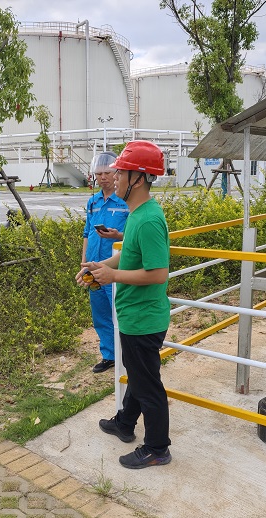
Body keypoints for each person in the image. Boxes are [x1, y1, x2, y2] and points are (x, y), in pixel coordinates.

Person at [77, 141, 172, 469]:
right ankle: (124, 422)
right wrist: (99, 267)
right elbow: (128, 255)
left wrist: (113, 275)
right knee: (139, 374)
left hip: (144, 319)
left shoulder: (147, 220)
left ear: (139, 178)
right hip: (134, 316)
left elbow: (158, 273)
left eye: (121, 172)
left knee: (148, 386)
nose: (114, 177)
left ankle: (157, 448)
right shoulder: (137, 215)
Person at [82, 151, 128, 373]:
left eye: (107, 173)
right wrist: (84, 262)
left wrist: (117, 235)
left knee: (118, 312)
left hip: (115, 269)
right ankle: (109, 355)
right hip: (93, 267)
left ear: (116, 173)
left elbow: (133, 236)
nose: (103, 177)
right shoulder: (93, 202)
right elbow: (86, 233)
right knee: (99, 312)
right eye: (98, 174)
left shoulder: (125, 202)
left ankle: (126, 356)